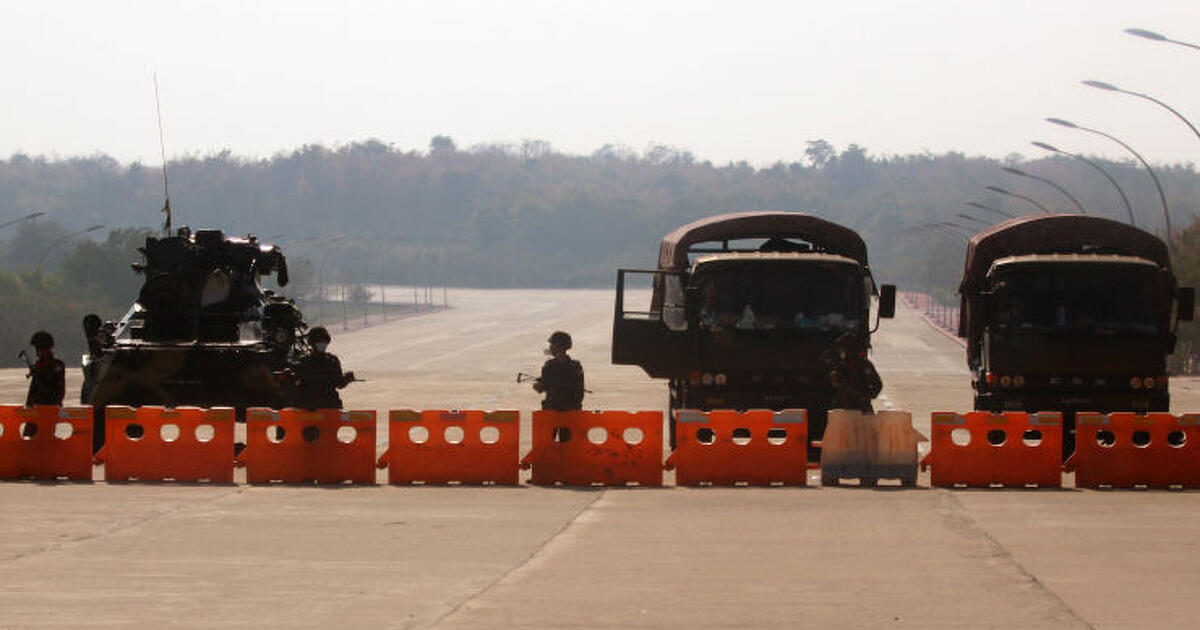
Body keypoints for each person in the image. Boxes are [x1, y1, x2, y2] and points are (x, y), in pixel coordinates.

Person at [289, 327, 355, 409]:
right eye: (319, 341)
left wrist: (346, 379)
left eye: (324, 341)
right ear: (312, 343)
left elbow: (338, 383)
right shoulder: (303, 362)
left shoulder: (332, 361)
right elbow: (295, 385)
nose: (322, 344)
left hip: (330, 405)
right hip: (309, 407)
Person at [827, 332, 882, 413]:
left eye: (843, 350)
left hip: (861, 409)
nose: (841, 353)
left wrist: (865, 396)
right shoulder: (841, 367)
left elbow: (877, 385)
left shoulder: (864, 366)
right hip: (843, 409)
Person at [532, 331, 585, 411]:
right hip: (573, 411)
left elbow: (541, 388)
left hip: (552, 412)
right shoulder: (576, 366)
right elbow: (579, 393)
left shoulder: (549, 365)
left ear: (557, 347)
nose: (550, 348)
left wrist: (537, 386)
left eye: (551, 345)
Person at [26, 330, 66, 407]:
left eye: (38, 349)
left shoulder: (58, 366)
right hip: (37, 408)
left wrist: (38, 375)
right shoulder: (39, 365)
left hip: (51, 409)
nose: (36, 354)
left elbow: (56, 393)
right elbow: (33, 391)